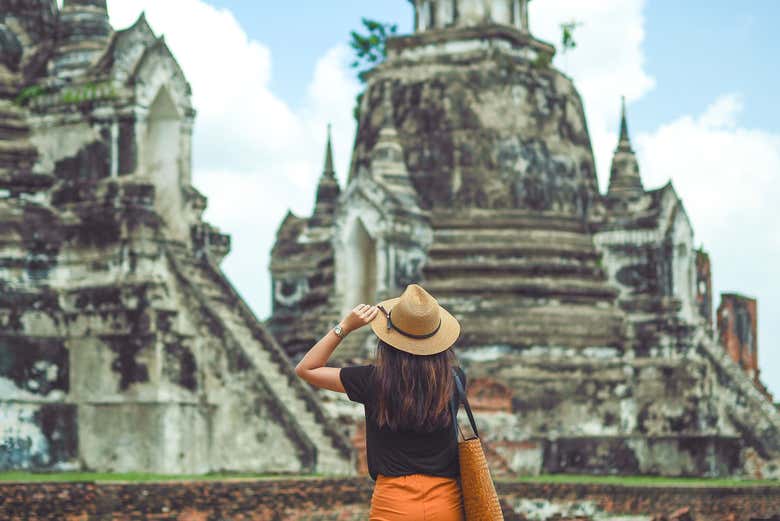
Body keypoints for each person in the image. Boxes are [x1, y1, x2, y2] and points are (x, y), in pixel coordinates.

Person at [295, 283, 467, 521]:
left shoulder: (373, 380)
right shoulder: (455, 379)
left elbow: (306, 368)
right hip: (447, 504)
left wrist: (345, 327)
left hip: (394, 503)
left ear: (389, 339)